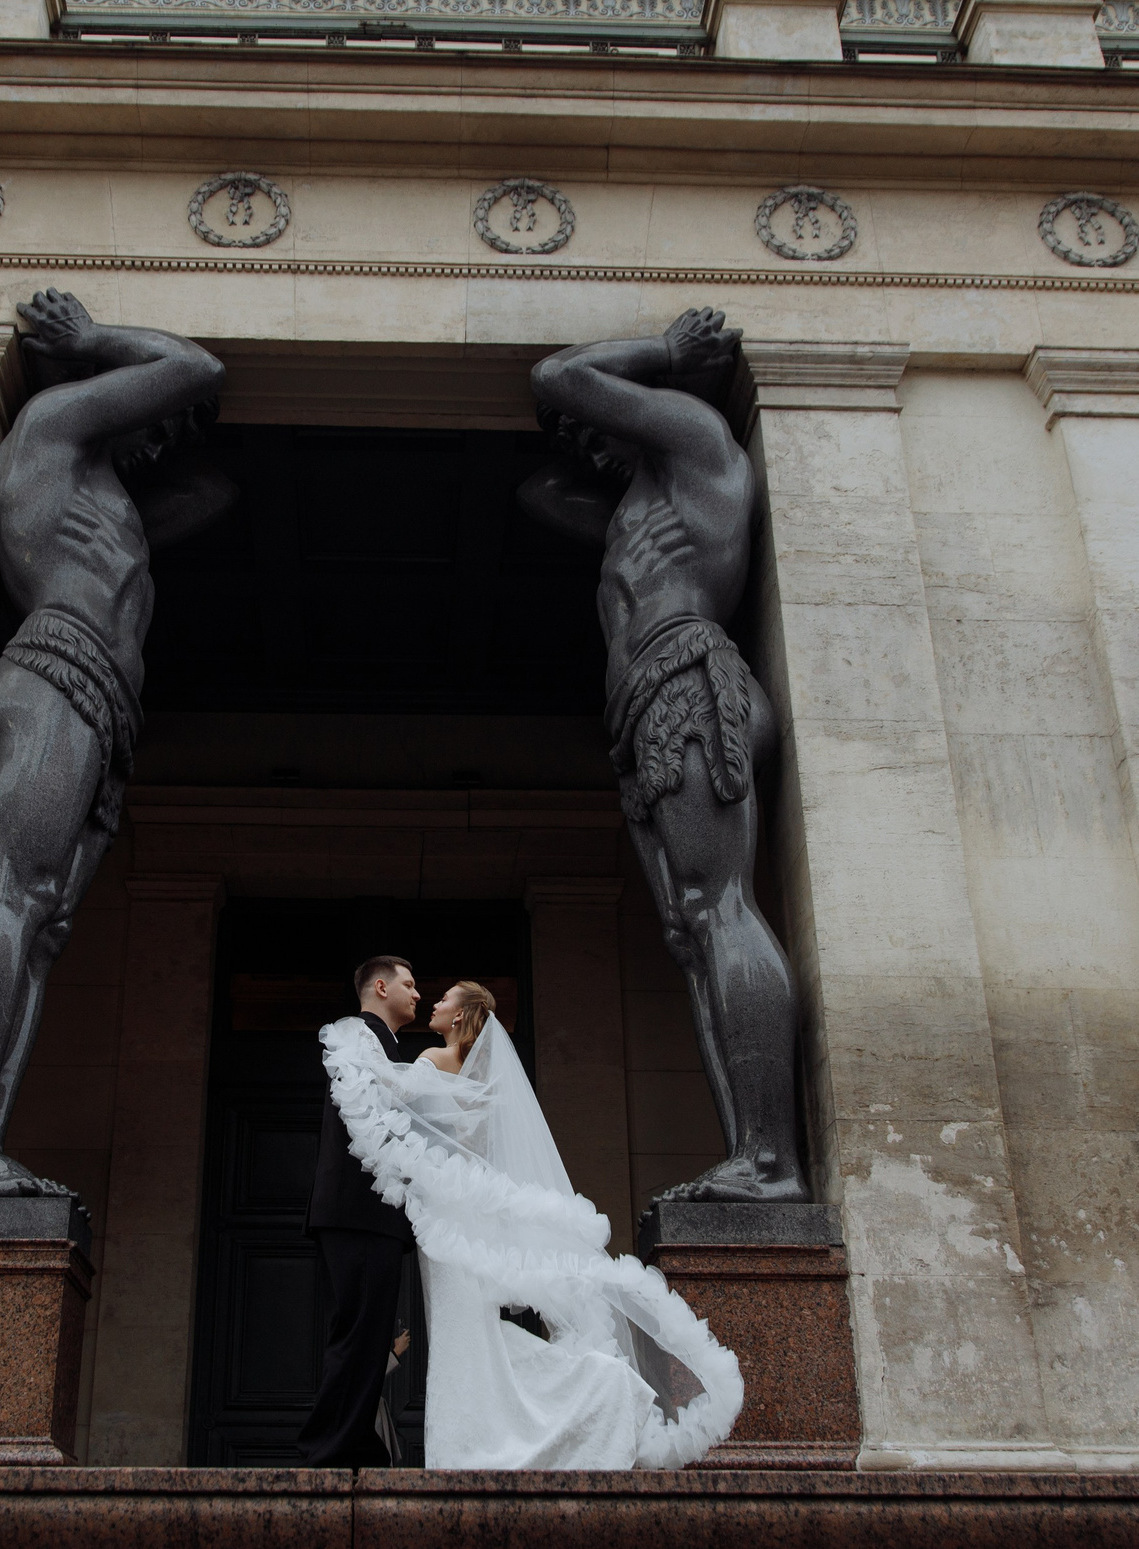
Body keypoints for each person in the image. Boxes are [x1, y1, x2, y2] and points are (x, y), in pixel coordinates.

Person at [0, 290, 229, 1197]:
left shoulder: (109, 500)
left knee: (43, 925)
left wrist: (152, 435)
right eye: (157, 420)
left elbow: (212, 490)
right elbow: (193, 366)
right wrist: (93, 342)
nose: (165, 439)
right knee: (16, 896)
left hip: (97, 702)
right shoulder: (51, 429)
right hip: (54, 674)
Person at [517, 307, 809, 1206]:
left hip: (687, 674)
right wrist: (601, 446)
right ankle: (750, 1154)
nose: (584, 439)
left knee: (721, 908)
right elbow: (543, 490)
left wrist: (666, 356)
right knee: (692, 930)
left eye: (597, 426)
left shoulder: (696, 439)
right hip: (648, 704)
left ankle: (772, 1159)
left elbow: (560, 376)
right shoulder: (640, 501)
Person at [317, 979, 742, 1469]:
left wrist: (351, 1044)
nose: (433, 1001)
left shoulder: (433, 1060)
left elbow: (392, 1096)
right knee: (476, 1331)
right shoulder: (479, 1076)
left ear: (460, 1015)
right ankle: (487, 1436)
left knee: (462, 1332)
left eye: (444, 998)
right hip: (469, 1220)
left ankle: (573, 1402)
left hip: (449, 1226)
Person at [297, 956, 419, 1467]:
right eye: (409, 984)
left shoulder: (379, 1043)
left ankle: (353, 1441)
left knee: (366, 1335)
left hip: (361, 1215)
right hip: (360, 1213)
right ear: (381, 986)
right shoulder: (358, 1038)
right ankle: (327, 1449)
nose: (417, 994)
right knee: (359, 1334)